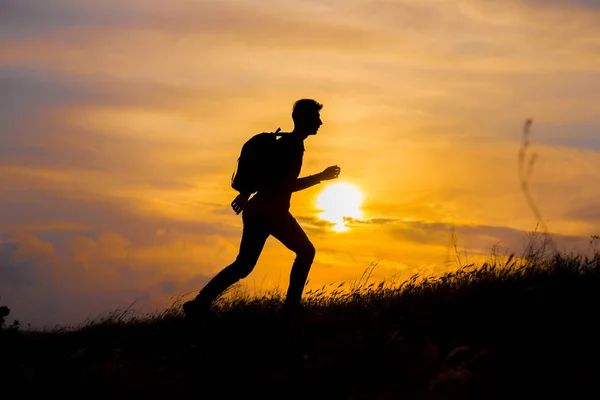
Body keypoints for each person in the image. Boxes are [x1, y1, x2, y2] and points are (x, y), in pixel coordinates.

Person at [183, 99, 340, 319]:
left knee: (244, 265)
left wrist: (245, 194)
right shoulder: (292, 146)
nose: (320, 122)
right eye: (316, 117)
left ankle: (199, 304)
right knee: (305, 252)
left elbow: (268, 176)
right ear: (305, 119)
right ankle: (291, 309)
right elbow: (284, 184)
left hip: (259, 210)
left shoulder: (288, 143)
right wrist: (320, 178)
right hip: (271, 213)